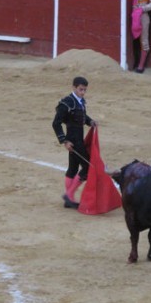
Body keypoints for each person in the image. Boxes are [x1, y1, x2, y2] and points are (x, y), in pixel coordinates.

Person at [51, 76, 97, 209]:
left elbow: (82, 116)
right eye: (80, 89)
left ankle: (68, 199)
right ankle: (69, 194)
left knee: (73, 168)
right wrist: (64, 141)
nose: (83, 92)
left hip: (78, 138)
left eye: (84, 90)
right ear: (74, 88)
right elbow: (56, 123)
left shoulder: (80, 101)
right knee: (88, 167)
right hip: (73, 140)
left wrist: (90, 122)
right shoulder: (66, 103)